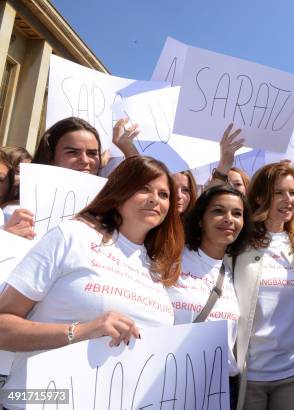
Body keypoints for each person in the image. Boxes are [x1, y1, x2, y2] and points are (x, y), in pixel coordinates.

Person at [0, 156, 184, 410]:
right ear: (119, 192)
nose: (155, 198)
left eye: (164, 194)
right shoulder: (72, 236)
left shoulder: (157, 267)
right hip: (42, 400)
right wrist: (84, 330)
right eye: (144, 188)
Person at [233, 162, 294, 410]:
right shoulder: (239, 242)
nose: (289, 199)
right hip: (249, 375)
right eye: (279, 192)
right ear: (260, 196)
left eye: (292, 192)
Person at [167, 185, 252, 410]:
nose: (229, 219)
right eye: (218, 211)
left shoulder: (236, 272)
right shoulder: (172, 258)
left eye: (237, 213)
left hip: (222, 389)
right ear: (200, 219)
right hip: (170, 383)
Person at [4, 117, 139, 239]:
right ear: (50, 156)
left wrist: (128, 148)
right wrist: (8, 238)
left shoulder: (109, 210)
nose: (85, 160)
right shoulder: (15, 213)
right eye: (72, 152)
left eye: (92, 153)